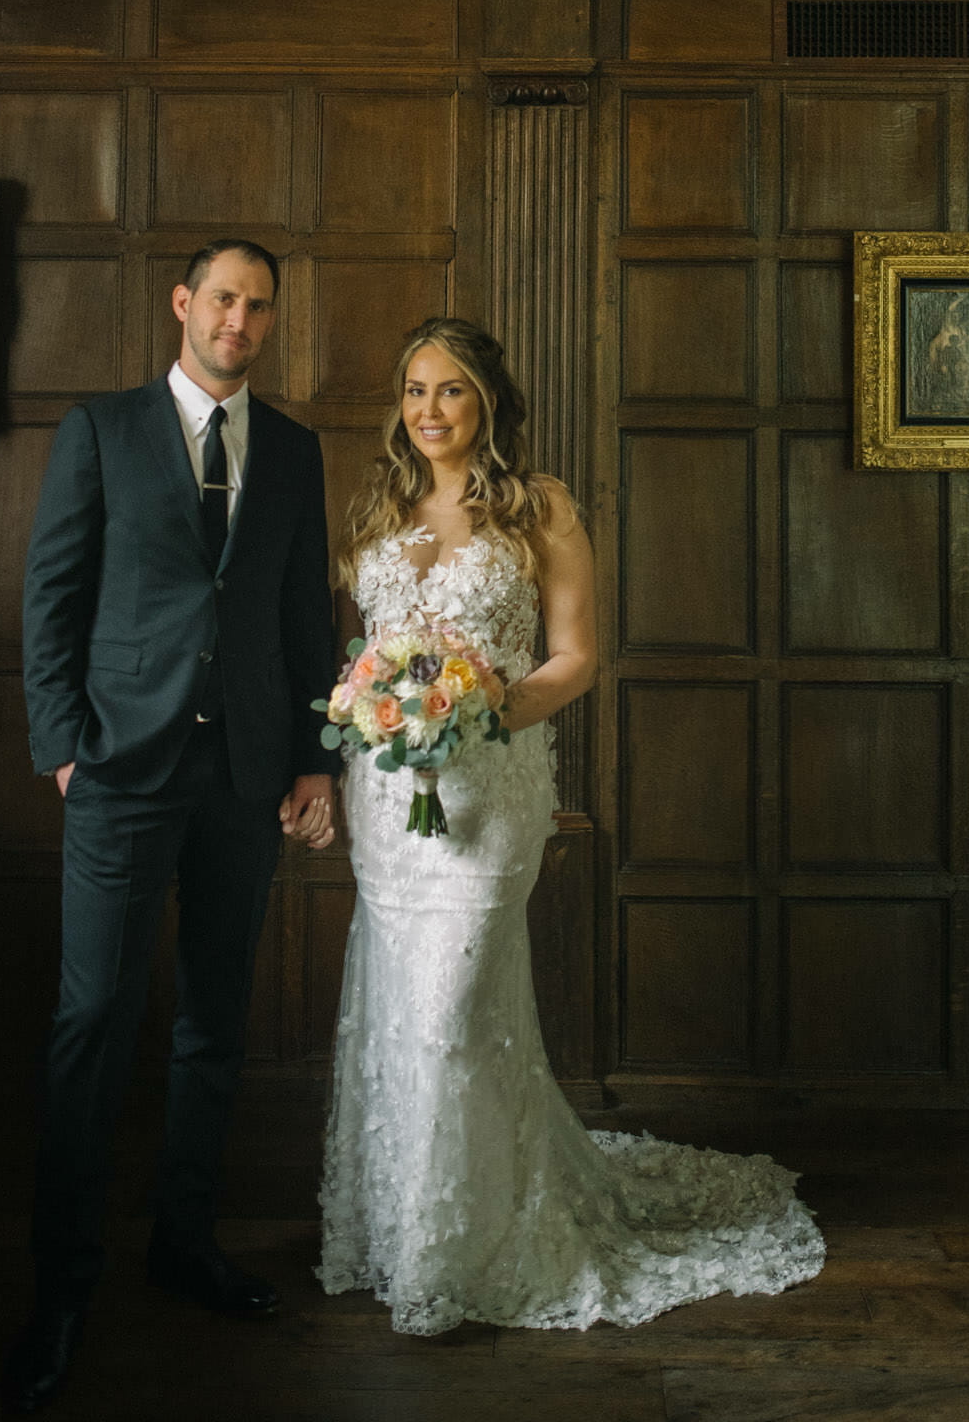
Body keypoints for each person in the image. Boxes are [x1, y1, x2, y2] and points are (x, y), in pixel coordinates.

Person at [318, 317, 824, 1334]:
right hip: (387, 797)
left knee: (452, 1010)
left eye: (451, 390)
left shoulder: (540, 507)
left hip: (491, 794)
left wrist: (477, 708)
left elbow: (576, 657)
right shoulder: (381, 501)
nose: (429, 411)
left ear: (490, 401)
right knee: (400, 1010)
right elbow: (365, 646)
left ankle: (463, 1248)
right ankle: (408, 1231)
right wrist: (373, 705)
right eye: (414, 390)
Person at [3, 240, 336, 1414]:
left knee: (213, 1020)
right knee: (91, 1018)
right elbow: (53, 593)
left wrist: (311, 757)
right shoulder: (100, 429)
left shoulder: (293, 449)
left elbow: (306, 611)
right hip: (119, 770)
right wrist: (59, 742)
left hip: (245, 777)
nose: (241, 320)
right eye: (225, 300)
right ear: (184, 305)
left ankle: (182, 1242)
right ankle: (63, 1283)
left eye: (261, 307)